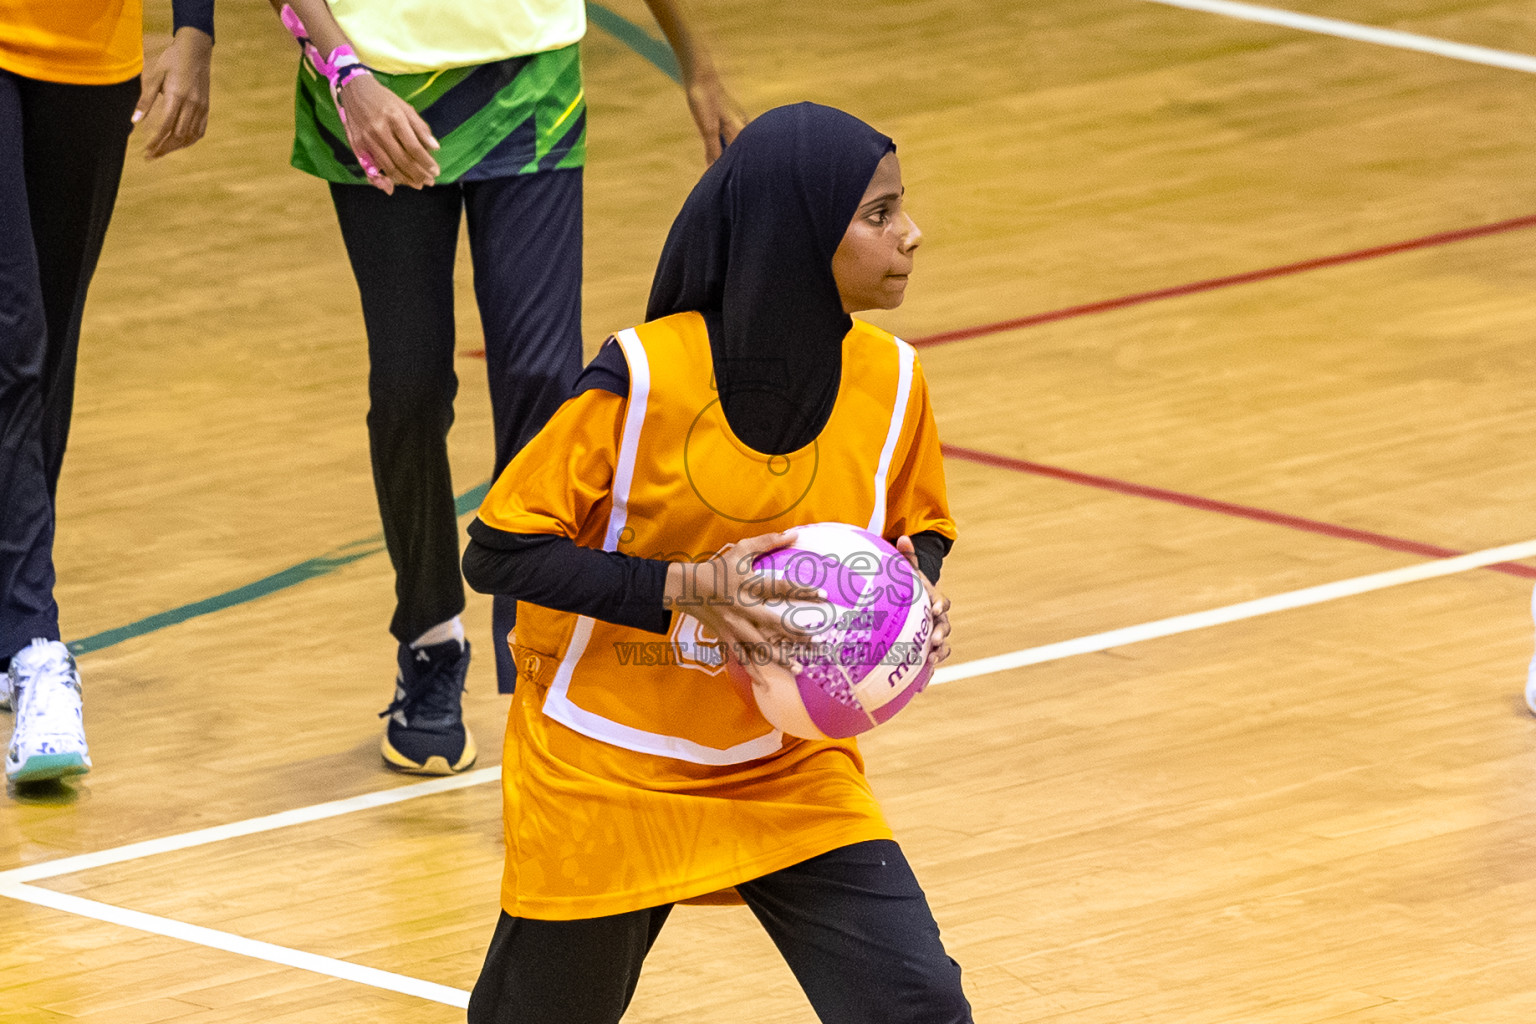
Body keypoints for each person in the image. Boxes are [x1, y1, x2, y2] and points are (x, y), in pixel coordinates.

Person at [460, 102, 969, 1024]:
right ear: (801, 234)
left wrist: (914, 593)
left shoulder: (894, 381)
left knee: (918, 1005)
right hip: (605, 761)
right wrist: (684, 589)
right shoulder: (643, 377)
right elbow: (498, 548)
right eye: (881, 215)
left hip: (784, 760)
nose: (912, 235)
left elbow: (919, 524)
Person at [266, 0, 744, 777]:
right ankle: (427, 639)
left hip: (531, 80)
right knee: (409, 386)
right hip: (369, 86)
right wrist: (343, 70)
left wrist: (699, 63)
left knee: (544, 382)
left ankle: (544, 662)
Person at [1, 1, 215, 786]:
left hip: (91, 59)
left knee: (46, 351)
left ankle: (7, 623)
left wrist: (196, 26)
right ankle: (34, 643)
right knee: (13, 338)